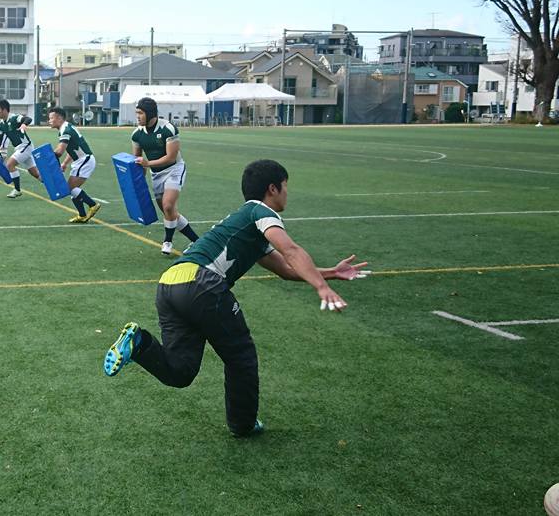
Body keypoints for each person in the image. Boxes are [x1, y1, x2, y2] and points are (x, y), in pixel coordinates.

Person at [103, 159, 371, 437]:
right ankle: (243, 425)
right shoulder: (260, 212)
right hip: (201, 284)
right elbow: (291, 251)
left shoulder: (246, 225)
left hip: (169, 284)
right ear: (272, 189)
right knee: (241, 356)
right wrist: (321, 287)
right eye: (285, 186)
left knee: (180, 372)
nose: (287, 193)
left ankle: (139, 343)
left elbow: (286, 269)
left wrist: (331, 273)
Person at [131, 97, 200, 255]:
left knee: (168, 206)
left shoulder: (168, 129)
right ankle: (198, 241)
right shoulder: (136, 134)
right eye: (137, 113)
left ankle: (167, 241)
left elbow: (171, 157)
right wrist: (138, 183)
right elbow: (137, 160)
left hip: (174, 169)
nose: (138, 116)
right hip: (156, 174)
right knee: (169, 213)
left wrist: (147, 163)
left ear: (150, 113)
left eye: (140, 113)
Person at [47, 107, 101, 223]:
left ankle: (93, 205)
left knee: (70, 188)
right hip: (81, 160)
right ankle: (82, 215)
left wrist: (46, 158)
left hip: (84, 160)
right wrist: (65, 163)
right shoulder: (66, 128)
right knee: (72, 189)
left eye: (51, 118)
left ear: (59, 118)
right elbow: (72, 149)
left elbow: (59, 152)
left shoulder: (65, 130)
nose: (49, 121)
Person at [0, 99, 38, 198]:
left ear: (4, 110)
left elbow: (28, 119)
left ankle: (17, 190)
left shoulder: (14, 118)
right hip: (19, 148)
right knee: (35, 173)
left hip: (25, 146)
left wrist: (24, 124)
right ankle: (53, 185)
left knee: (10, 164)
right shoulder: (1, 124)